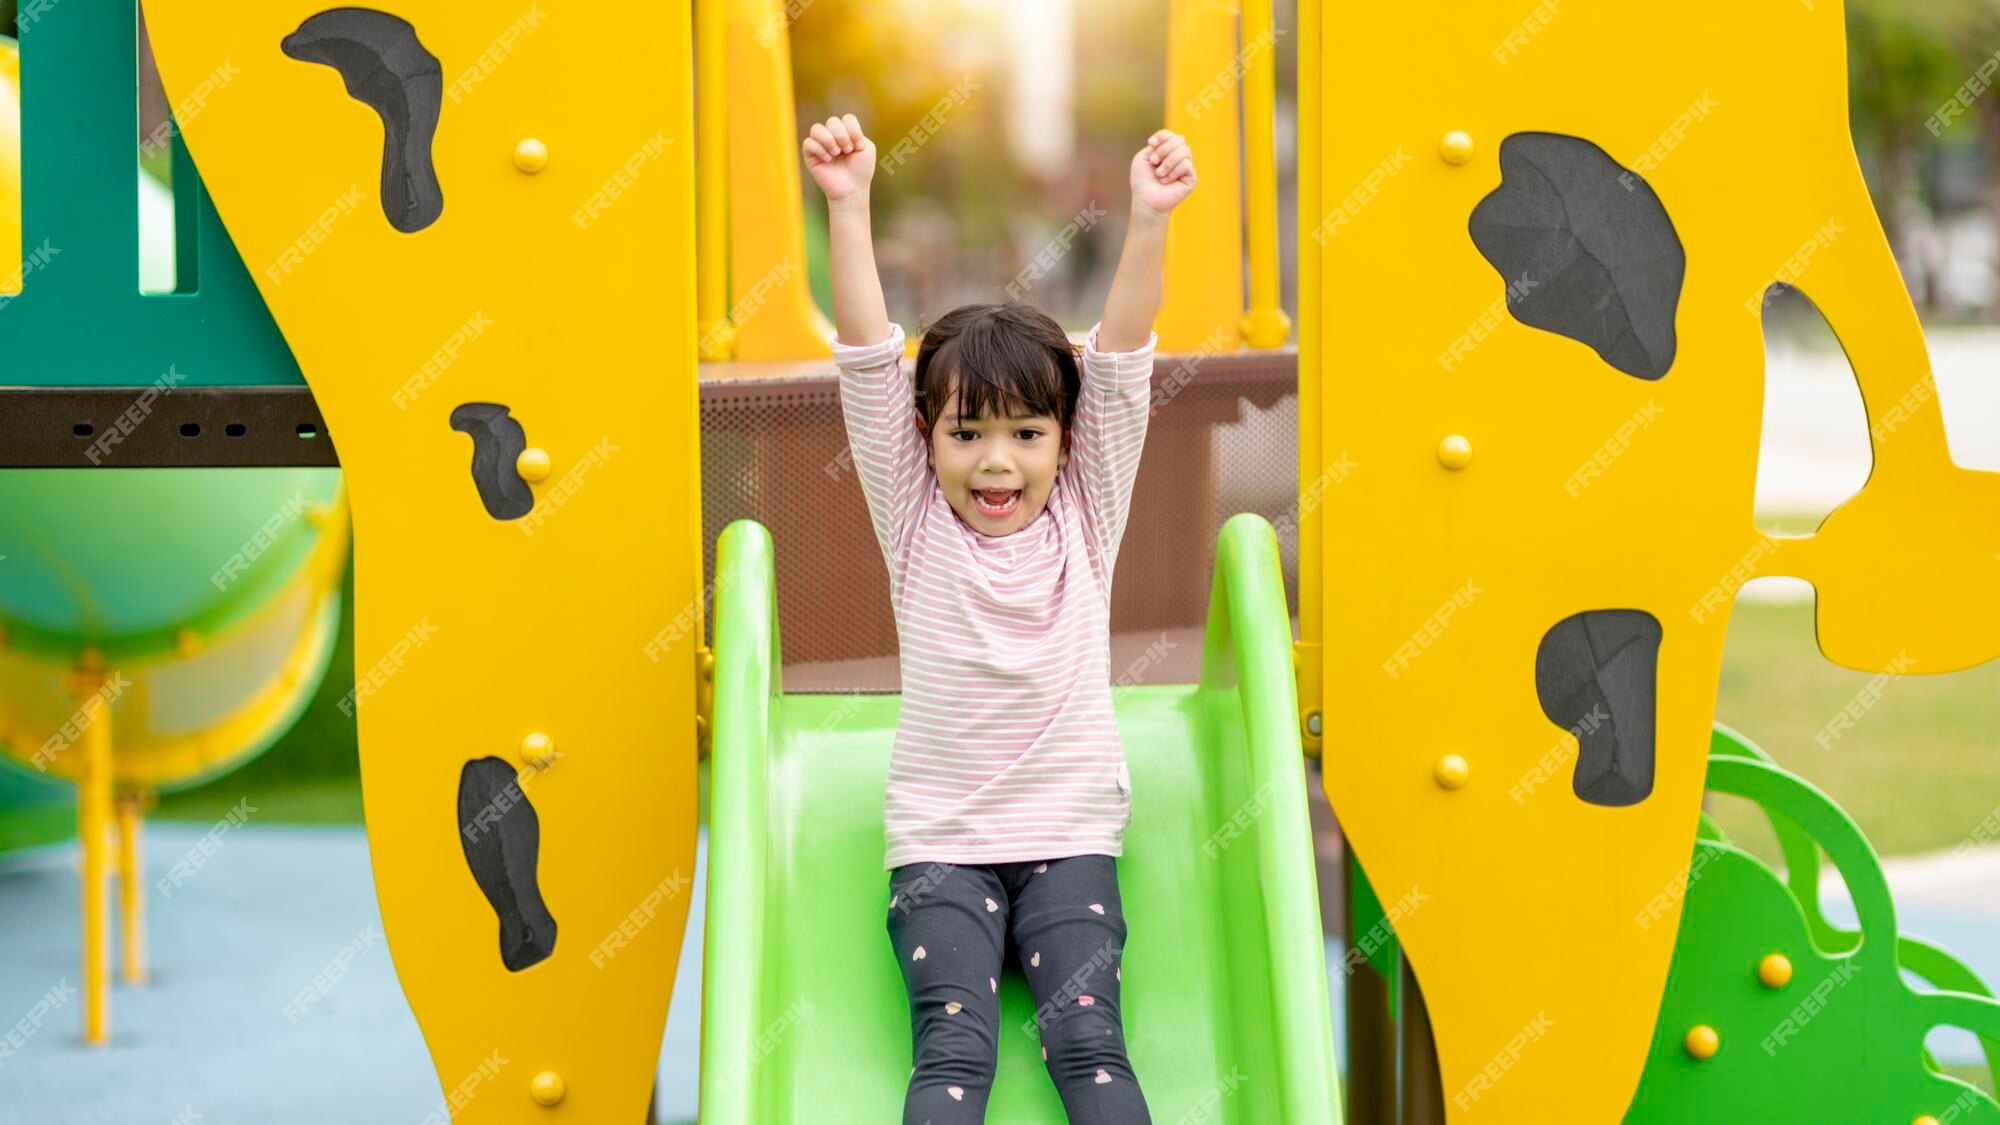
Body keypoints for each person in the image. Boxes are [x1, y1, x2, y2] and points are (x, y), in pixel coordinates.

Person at [802, 111, 1196, 1124]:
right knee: (951, 1047)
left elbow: (1121, 362)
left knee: (1087, 1040)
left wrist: (1147, 220)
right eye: (965, 432)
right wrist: (847, 206)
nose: (994, 461)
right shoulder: (913, 516)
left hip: (1069, 834)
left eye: (1025, 433)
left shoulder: (1085, 508)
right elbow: (860, 359)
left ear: (1064, 444)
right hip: (939, 838)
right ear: (925, 439)